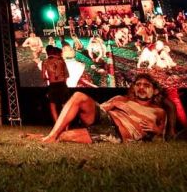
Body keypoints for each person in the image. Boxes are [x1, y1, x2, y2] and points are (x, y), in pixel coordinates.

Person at [31, 73, 167, 143]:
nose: (141, 88)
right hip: (106, 121)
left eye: (146, 85)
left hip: (117, 135)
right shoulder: (121, 99)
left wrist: (156, 130)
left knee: (66, 137)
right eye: (138, 84)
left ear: (155, 91)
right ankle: (51, 136)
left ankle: (46, 137)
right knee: (78, 96)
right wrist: (112, 105)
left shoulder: (159, 112)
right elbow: (98, 110)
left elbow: (162, 137)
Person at [41, 45, 70, 122]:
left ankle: (57, 125)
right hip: (62, 84)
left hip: (53, 85)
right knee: (64, 106)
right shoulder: (61, 61)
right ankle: (65, 127)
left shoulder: (45, 62)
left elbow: (43, 77)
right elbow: (66, 75)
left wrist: (50, 78)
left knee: (53, 106)